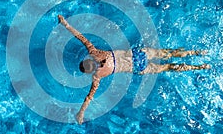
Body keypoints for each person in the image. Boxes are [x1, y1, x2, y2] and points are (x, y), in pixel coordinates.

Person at [57, 15, 210, 124]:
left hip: (138, 66)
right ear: (88, 62)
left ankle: (198, 65)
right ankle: (197, 54)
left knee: (168, 66)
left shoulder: (96, 74)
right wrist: (65, 24)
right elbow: (81, 38)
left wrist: (81, 113)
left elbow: (88, 98)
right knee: (170, 54)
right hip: (138, 55)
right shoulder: (95, 54)